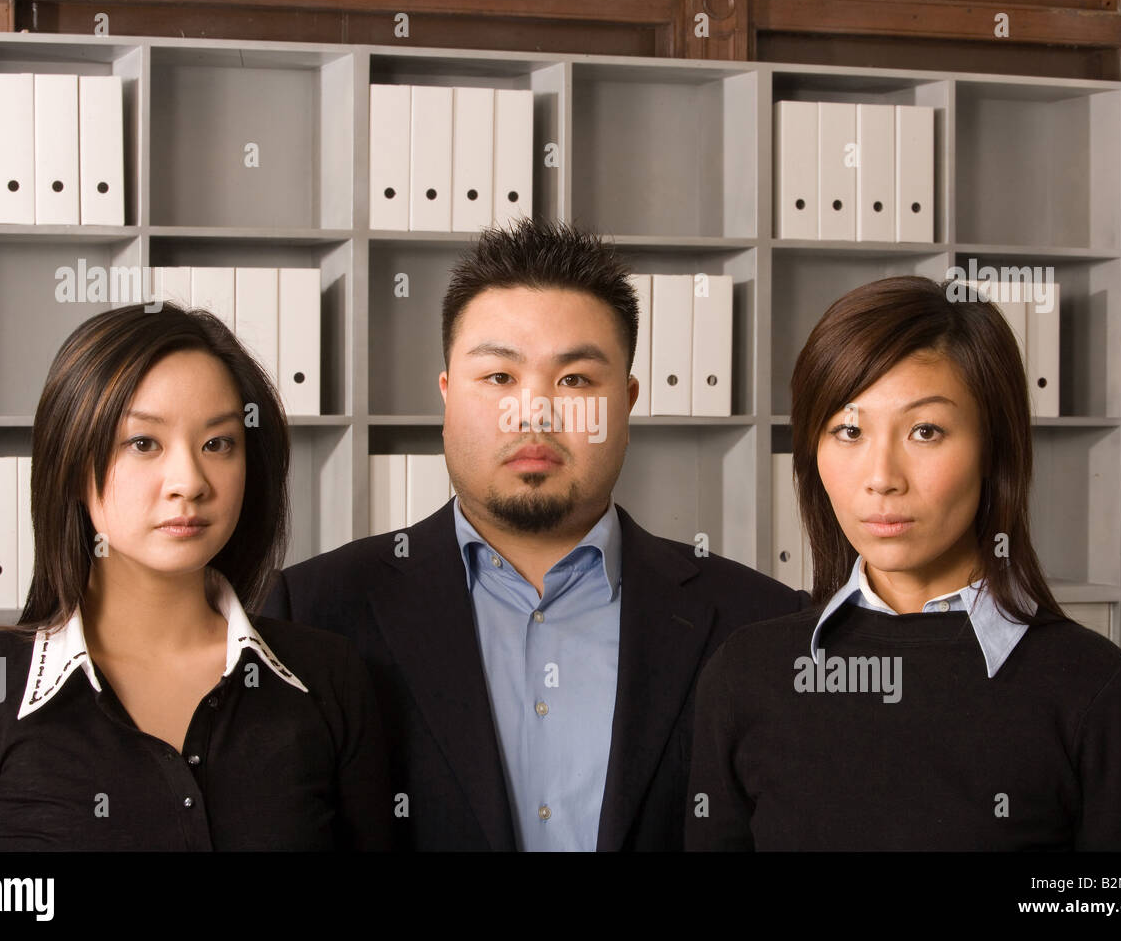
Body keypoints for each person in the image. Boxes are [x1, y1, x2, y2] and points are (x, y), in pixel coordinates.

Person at [262, 218, 808, 850]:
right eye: (499, 378)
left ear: (626, 402)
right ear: (446, 397)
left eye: (575, 380)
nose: (535, 412)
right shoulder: (314, 616)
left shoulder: (757, 623)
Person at [686, 275, 1121, 850]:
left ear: (993, 449)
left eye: (925, 431)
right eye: (848, 430)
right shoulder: (745, 676)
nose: (882, 479)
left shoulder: (1096, 690)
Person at [0, 303, 391, 850]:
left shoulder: (328, 677)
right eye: (143, 443)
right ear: (70, 463)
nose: (189, 481)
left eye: (218, 443)